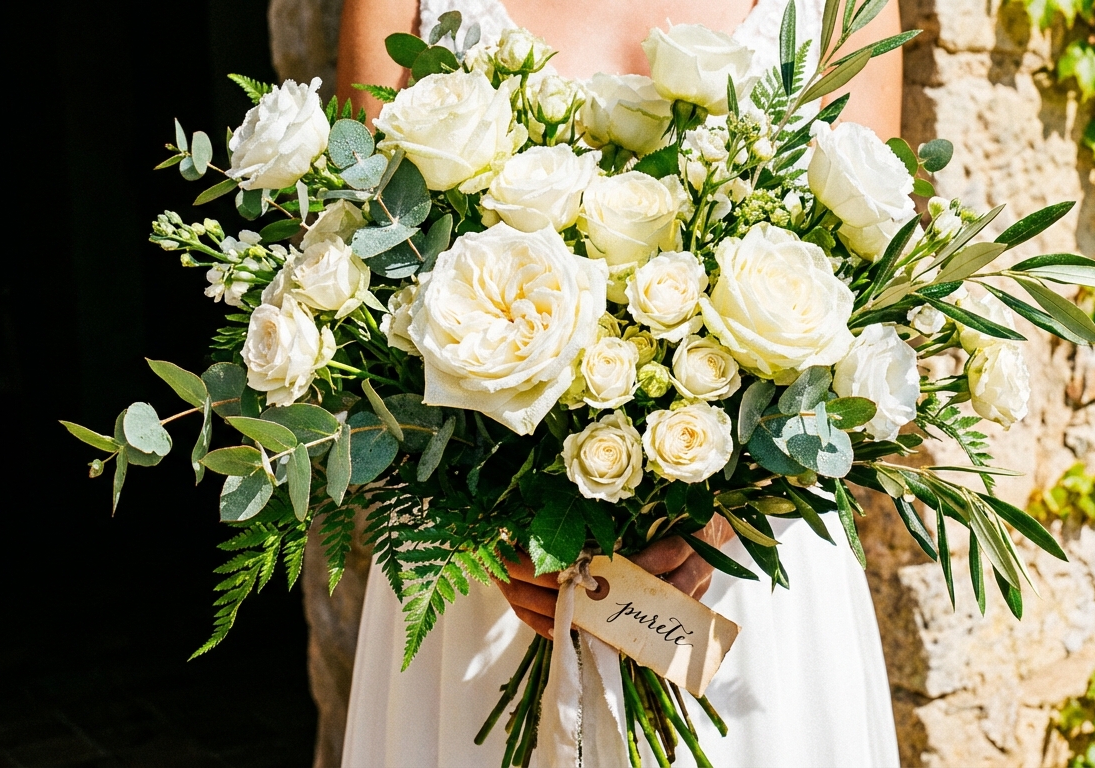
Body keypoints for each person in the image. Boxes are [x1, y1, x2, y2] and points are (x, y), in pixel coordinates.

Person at [337, 1, 904, 764]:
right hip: (481, 583)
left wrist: (725, 515)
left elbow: (872, 304)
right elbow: (355, 270)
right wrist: (488, 517)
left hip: (737, 579)